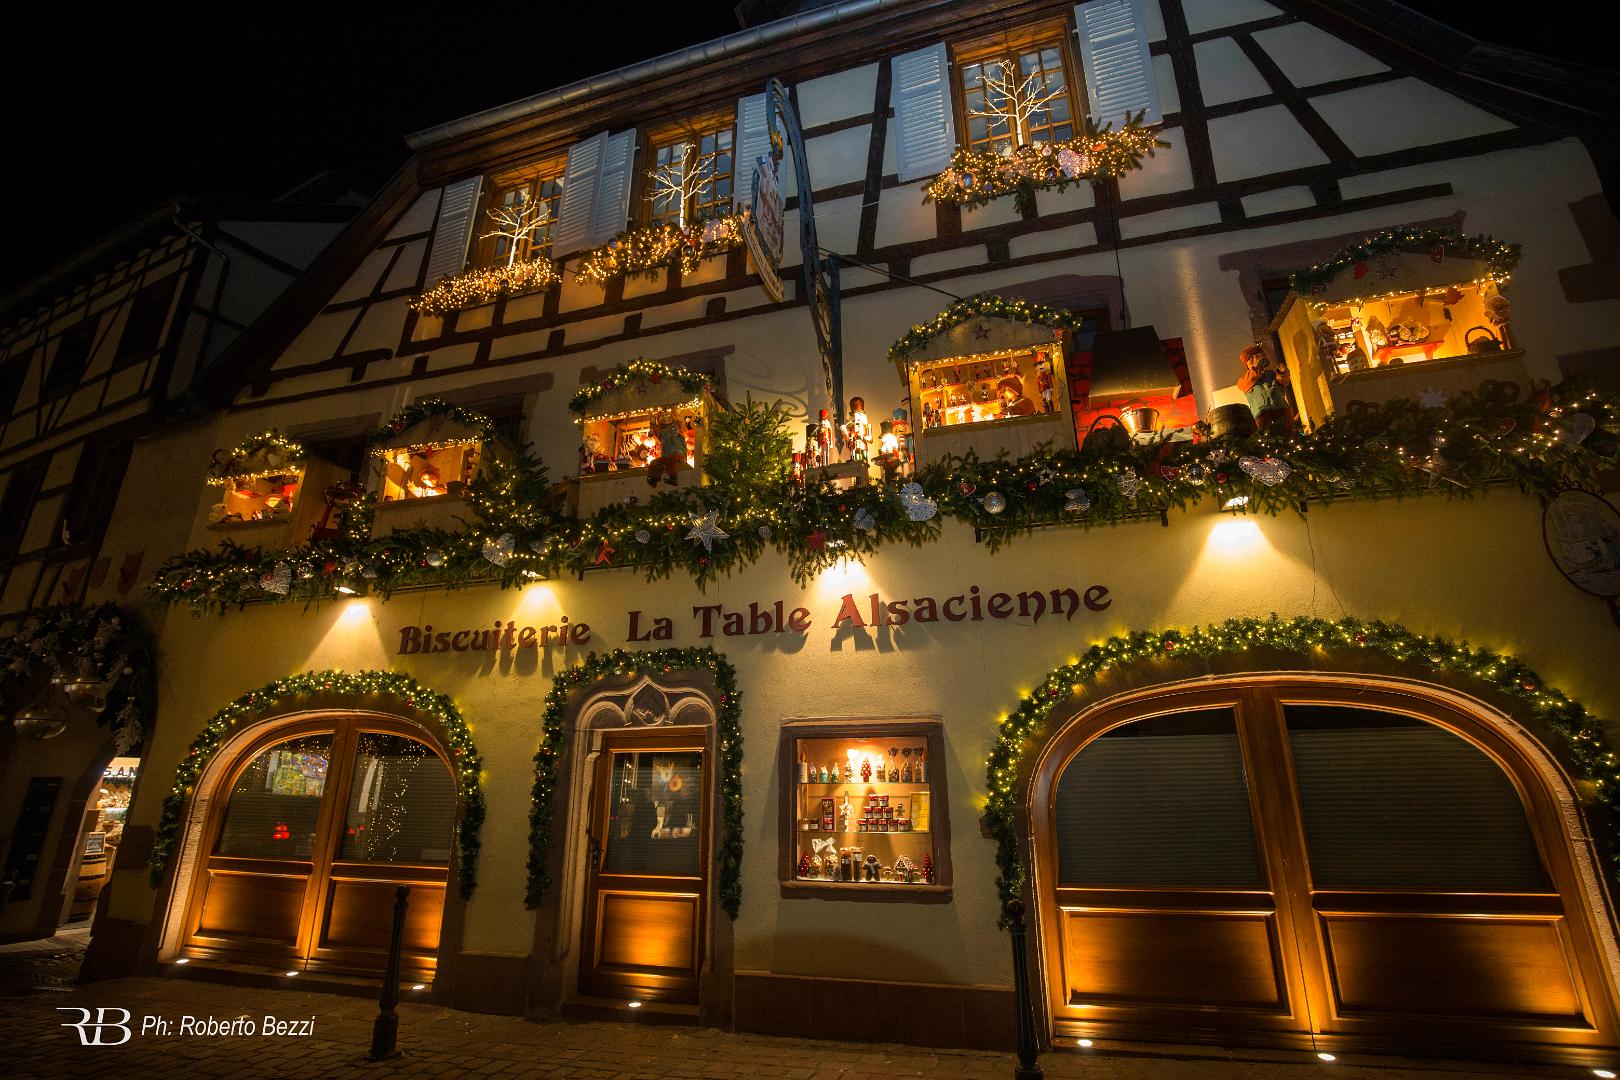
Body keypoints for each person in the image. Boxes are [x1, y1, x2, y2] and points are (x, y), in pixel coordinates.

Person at [1237, 344, 1295, 431]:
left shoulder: (1272, 373)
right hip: (1262, 413)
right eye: (1251, 358)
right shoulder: (1244, 379)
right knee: (1265, 434)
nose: (1255, 358)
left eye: (1258, 355)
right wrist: (1256, 367)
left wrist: (1282, 373)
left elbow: (1283, 382)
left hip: (1281, 408)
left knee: (1289, 432)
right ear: (1247, 364)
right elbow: (1247, 382)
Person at [645, 409, 687, 487]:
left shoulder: (676, 429)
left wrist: (674, 415)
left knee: (672, 460)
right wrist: (652, 420)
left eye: (667, 415)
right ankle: (653, 479)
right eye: (662, 416)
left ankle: (673, 477)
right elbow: (654, 430)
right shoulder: (662, 433)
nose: (665, 417)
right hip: (666, 455)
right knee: (654, 462)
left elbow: (678, 427)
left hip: (678, 453)